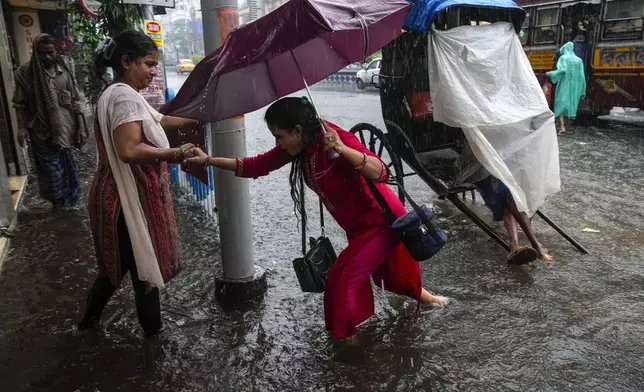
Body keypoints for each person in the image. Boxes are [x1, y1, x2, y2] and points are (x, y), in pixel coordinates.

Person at [185, 97, 447, 341]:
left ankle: (347, 348)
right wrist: (208, 160)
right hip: (356, 227)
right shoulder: (299, 147)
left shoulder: (330, 138)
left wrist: (343, 149)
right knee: (393, 279)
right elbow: (257, 165)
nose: (278, 143)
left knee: (340, 282)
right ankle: (435, 302)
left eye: (279, 136)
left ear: (297, 131)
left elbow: (380, 171)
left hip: (380, 222)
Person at [78, 31, 199, 336]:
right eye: (148, 64)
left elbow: (160, 120)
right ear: (126, 61)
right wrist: (176, 153)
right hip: (125, 202)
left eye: (155, 66)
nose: (153, 72)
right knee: (144, 272)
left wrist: (199, 116)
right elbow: (129, 150)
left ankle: (86, 325)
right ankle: (153, 341)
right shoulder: (124, 97)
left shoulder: (120, 93)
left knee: (114, 270)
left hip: (112, 196)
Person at [13, 34, 88, 209]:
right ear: (35, 53)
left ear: (56, 51)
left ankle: (69, 199)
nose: (46, 56)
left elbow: (76, 101)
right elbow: (19, 104)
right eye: (41, 53)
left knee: (67, 166)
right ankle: (58, 203)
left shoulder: (65, 71)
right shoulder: (25, 74)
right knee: (51, 170)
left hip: (65, 129)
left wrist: (81, 127)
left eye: (50, 52)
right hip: (41, 130)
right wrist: (21, 128)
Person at [456, 143, 554, 264]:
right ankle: (535, 246)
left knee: (513, 192)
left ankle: (515, 246)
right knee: (509, 194)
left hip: (502, 163)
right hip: (481, 165)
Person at [548, 42, 586, 135]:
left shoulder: (563, 58)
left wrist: (550, 74)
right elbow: (582, 76)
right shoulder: (579, 60)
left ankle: (562, 127)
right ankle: (568, 127)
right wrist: (583, 90)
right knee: (570, 106)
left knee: (561, 104)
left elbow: (562, 71)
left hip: (564, 85)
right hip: (575, 88)